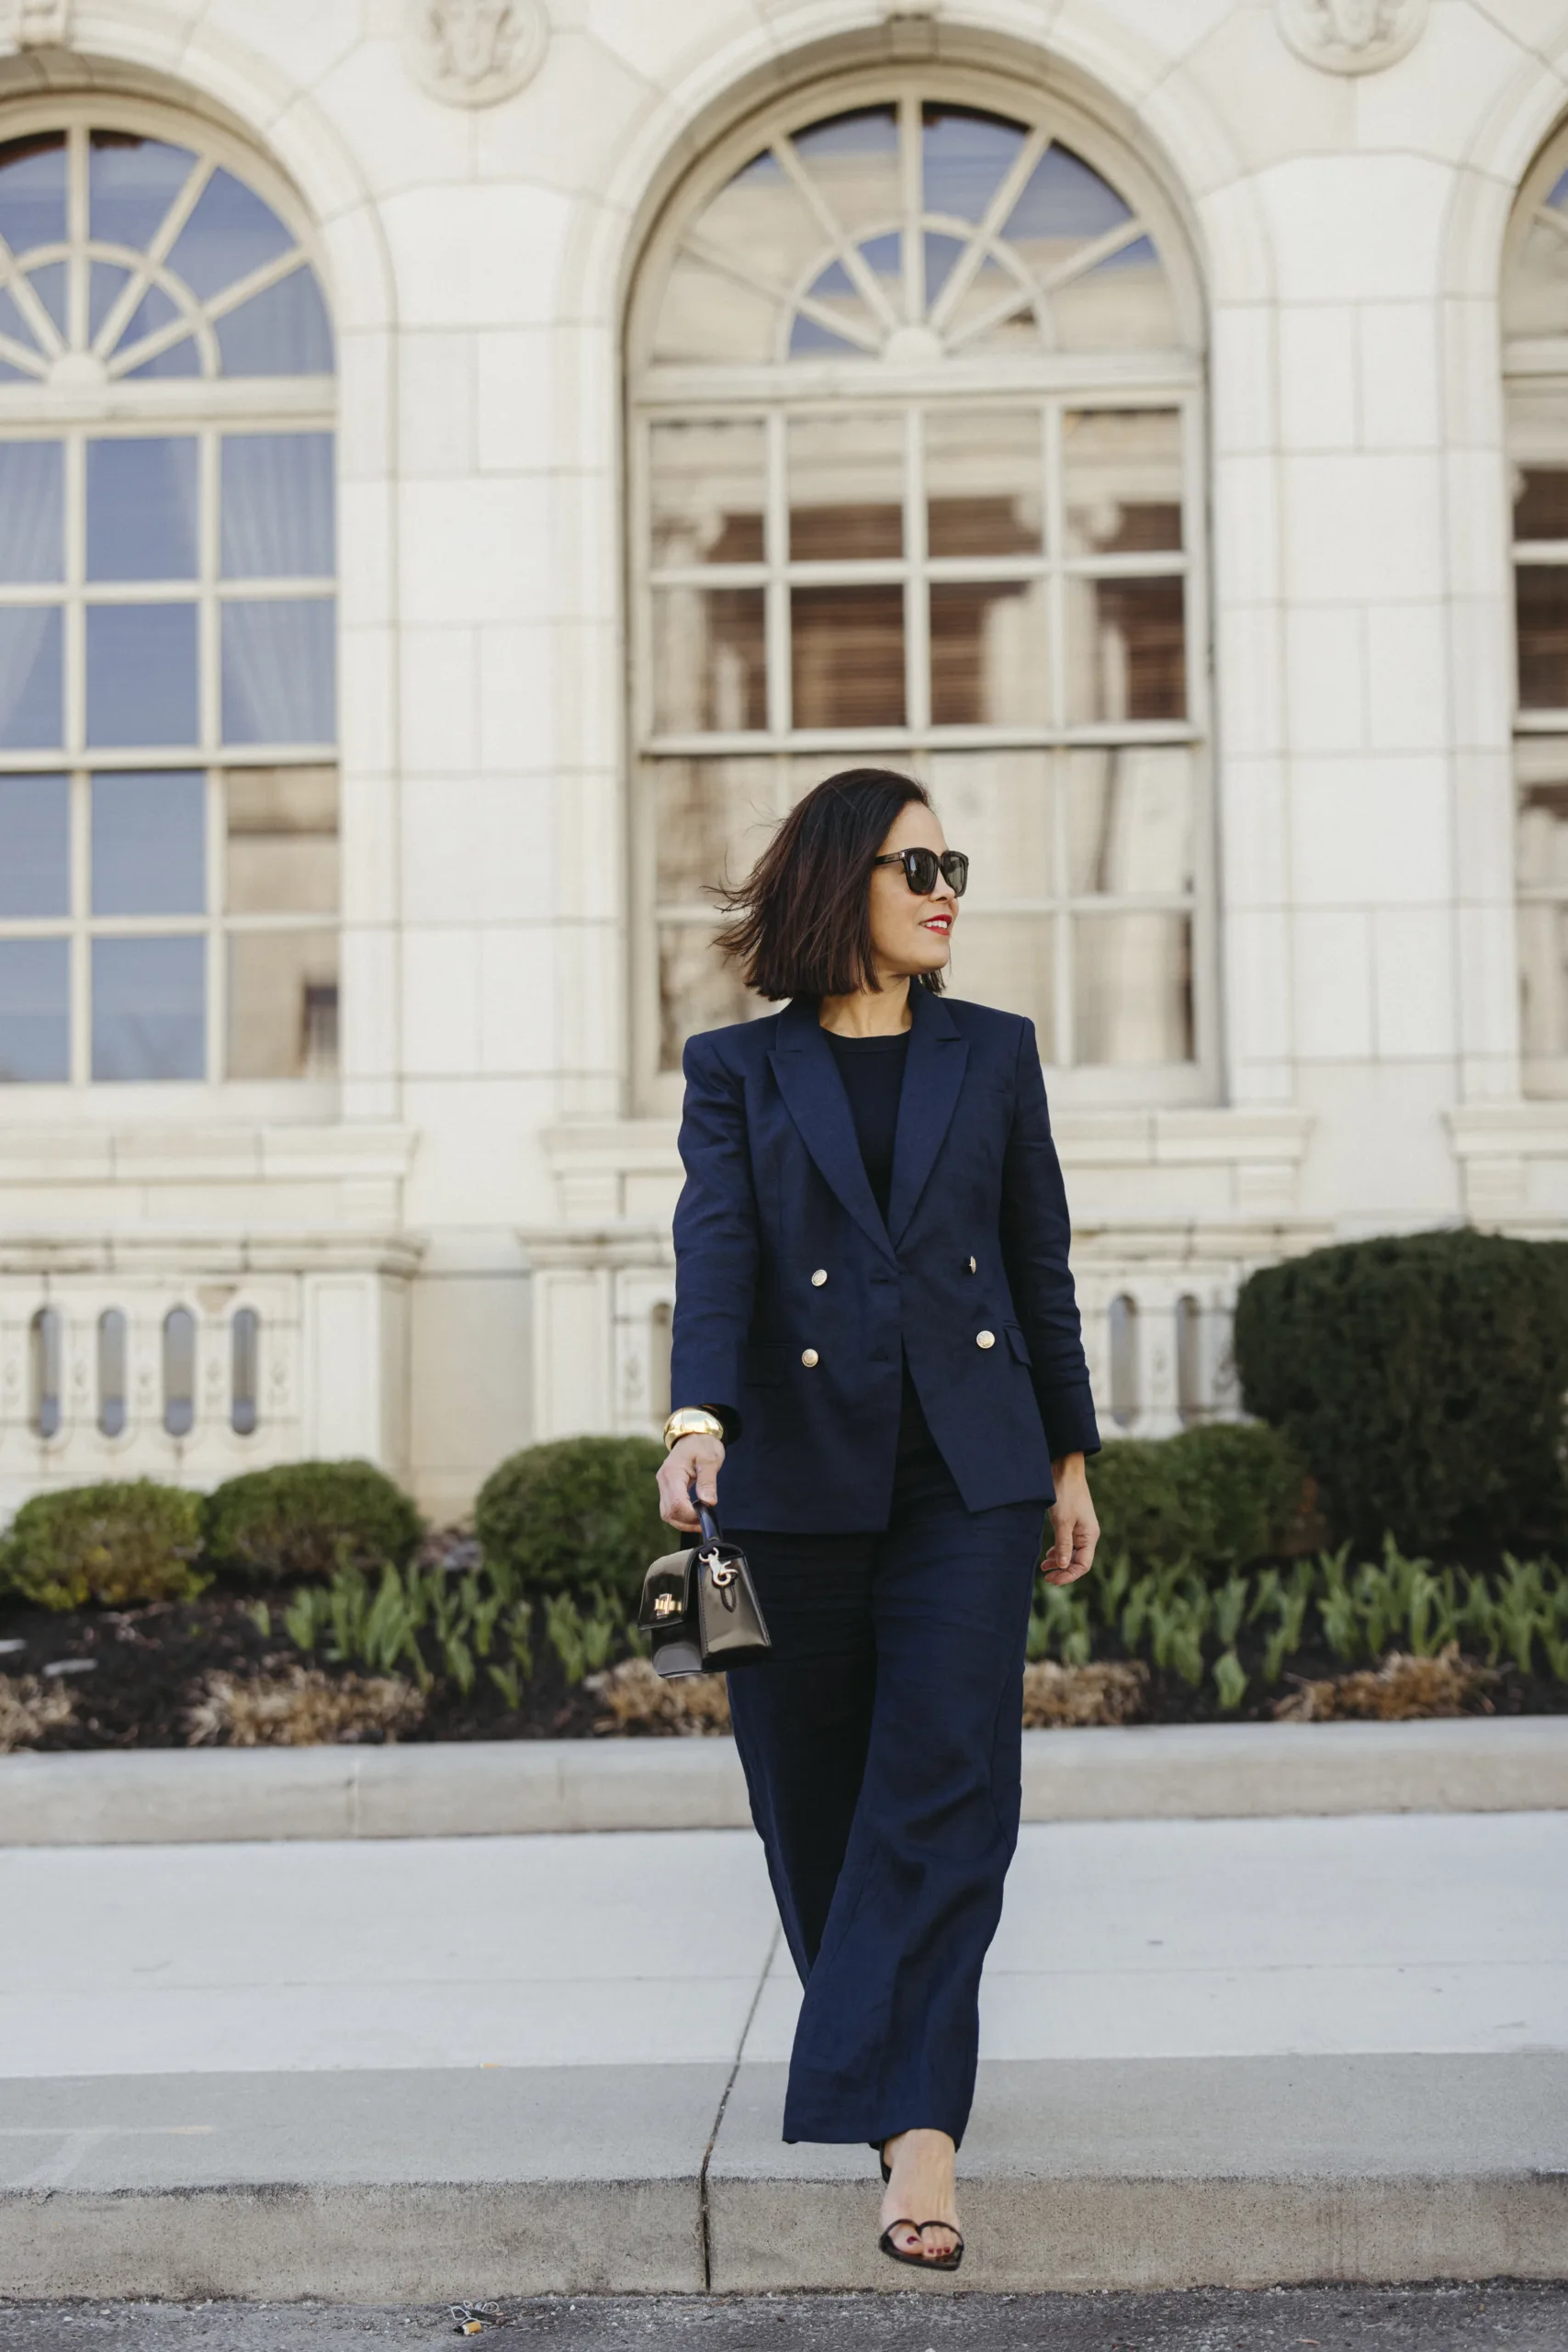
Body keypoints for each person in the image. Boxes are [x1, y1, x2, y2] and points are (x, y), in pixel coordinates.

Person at [656, 766, 1100, 2272]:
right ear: (839, 880)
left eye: (951, 865)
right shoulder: (737, 1070)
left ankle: (918, 2140)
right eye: (915, 864)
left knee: (945, 1784)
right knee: (814, 1805)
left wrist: (1067, 1458)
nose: (943, 887)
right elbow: (716, 1249)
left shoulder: (993, 1054)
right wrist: (694, 1419)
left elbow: (1035, 1260)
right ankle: (884, 2086)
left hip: (966, 1478)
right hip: (791, 1480)